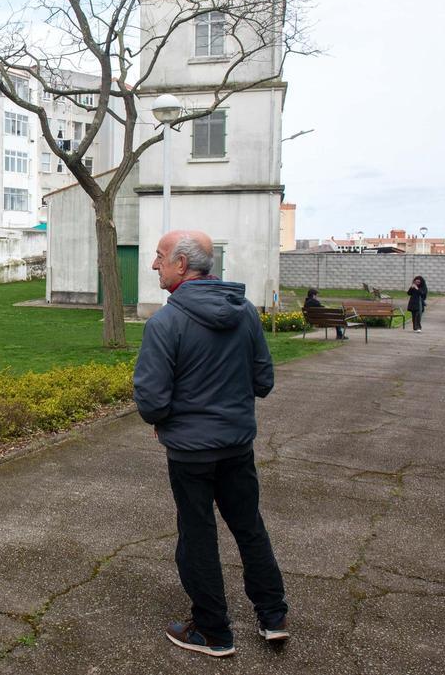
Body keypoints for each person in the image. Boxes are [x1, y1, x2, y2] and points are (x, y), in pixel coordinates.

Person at [134, 230, 289, 659]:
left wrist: (167, 419)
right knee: (249, 527)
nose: (154, 265)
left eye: (160, 257)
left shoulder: (165, 323)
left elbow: (150, 401)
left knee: (197, 535)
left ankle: (213, 631)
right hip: (237, 447)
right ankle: (272, 616)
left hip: (190, 454)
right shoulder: (246, 315)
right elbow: (263, 381)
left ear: (182, 265)